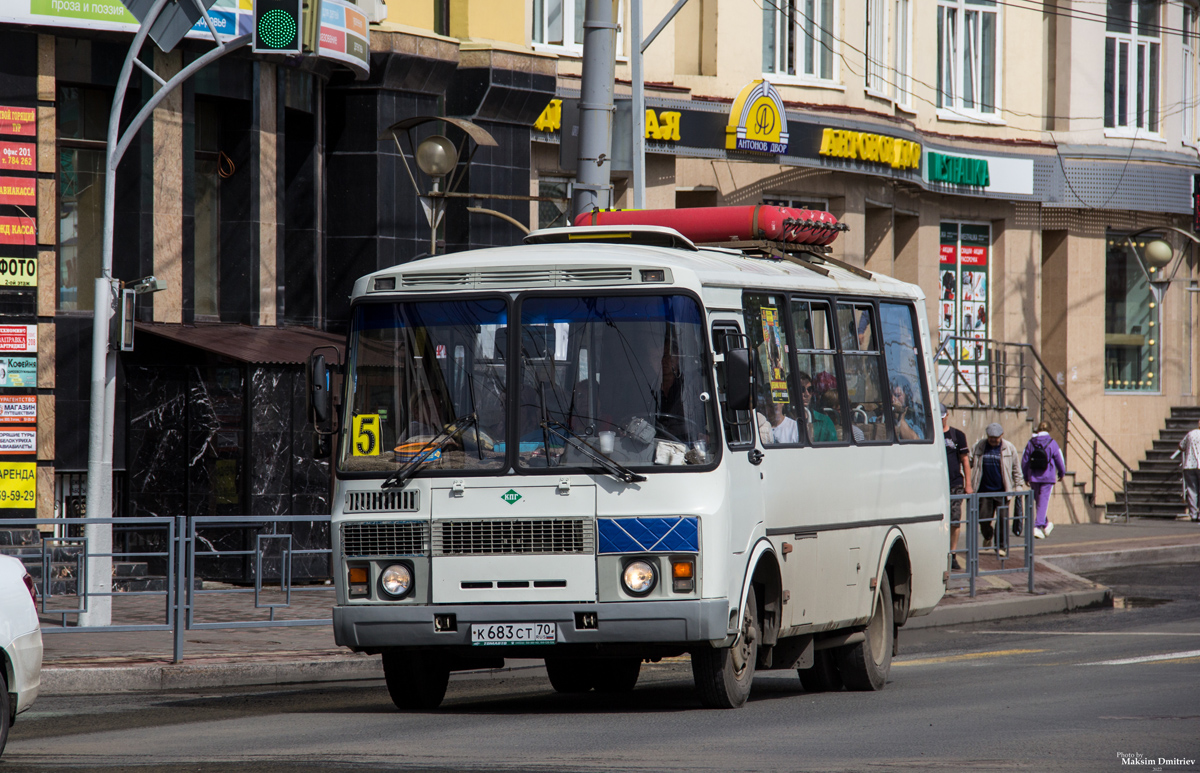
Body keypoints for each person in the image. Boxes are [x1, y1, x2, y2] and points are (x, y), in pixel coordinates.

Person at [970, 422, 1025, 557]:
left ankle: (1001, 547)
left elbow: (1016, 469)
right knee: (983, 519)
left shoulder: (1009, 448)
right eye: (991, 438)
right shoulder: (979, 446)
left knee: (1002, 520)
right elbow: (968, 461)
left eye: (996, 438)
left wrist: (1018, 486)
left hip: (1002, 491)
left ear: (1002, 435)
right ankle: (988, 535)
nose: (993, 440)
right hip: (984, 491)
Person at [1021, 421, 1066, 539]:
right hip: (1047, 477)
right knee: (1043, 502)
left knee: (1039, 502)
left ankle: (1046, 524)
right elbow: (1059, 460)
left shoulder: (1031, 443)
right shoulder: (1052, 443)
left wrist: (1025, 476)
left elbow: (1025, 460)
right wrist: (1061, 473)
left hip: (1034, 477)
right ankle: (1037, 526)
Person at [942, 405, 971, 570]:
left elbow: (965, 460)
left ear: (947, 416)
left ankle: (952, 554)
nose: (941, 421)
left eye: (943, 417)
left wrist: (968, 484)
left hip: (955, 484)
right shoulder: (932, 436)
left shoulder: (957, 435)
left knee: (954, 520)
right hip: (938, 487)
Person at [798, 371, 836, 442]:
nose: (807, 394)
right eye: (801, 389)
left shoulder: (824, 422)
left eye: (810, 390)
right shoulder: (783, 421)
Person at [1180, 418, 1200, 522]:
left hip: (1189, 465)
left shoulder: (1190, 434)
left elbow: (1181, 446)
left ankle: (1193, 514)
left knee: (1192, 490)